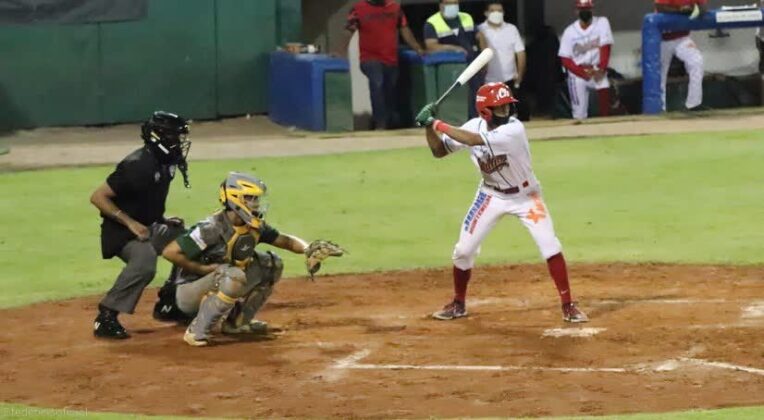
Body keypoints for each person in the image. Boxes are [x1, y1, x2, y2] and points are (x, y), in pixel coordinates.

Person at [414, 83, 588, 323]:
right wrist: (428, 127)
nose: (506, 112)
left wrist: (435, 122)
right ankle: (458, 303)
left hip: (526, 196)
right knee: (463, 251)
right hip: (490, 195)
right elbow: (438, 151)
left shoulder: (513, 130)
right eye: (500, 108)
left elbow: (472, 140)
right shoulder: (472, 125)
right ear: (485, 112)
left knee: (550, 245)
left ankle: (568, 305)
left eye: (507, 107)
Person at [157, 172, 344, 347]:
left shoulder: (252, 225)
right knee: (234, 275)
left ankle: (237, 323)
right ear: (235, 199)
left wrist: (308, 248)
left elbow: (285, 241)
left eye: (256, 199)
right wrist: (202, 269)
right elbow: (170, 252)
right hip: (189, 293)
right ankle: (196, 331)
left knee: (271, 264)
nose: (255, 204)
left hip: (222, 281)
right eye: (250, 198)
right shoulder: (211, 228)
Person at [89, 111, 191, 339]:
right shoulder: (137, 165)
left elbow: (148, 198)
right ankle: (106, 316)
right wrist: (131, 223)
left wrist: (162, 219)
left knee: (189, 241)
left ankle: (170, 301)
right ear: (159, 137)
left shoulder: (165, 161)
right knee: (145, 262)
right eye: (175, 136)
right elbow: (98, 197)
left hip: (147, 226)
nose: (179, 141)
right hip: (121, 232)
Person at [345, 0, 425, 130]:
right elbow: (348, 31)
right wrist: (340, 52)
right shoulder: (358, 9)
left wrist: (417, 48)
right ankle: (380, 124)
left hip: (390, 59)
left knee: (389, 91)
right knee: (377, 83)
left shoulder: (394, 8)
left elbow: (404, 29)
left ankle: (387, 121)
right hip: (369, 58)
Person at [424, 0, 485, 118]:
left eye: (455, 3)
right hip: (451, 68)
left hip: (472, 64)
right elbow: (431, 46)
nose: (453, 6)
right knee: (459, 97)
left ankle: (477, 120)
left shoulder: (466, 17)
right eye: (448, 3)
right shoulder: (432, 23)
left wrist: (483, 57)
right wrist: (454, 48)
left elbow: (480, 36)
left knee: (476, 94)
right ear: (441, 5)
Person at [558, 0, 613, 120]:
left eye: (587, 9)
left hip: (597, 69)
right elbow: (565, 59)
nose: (585, 12)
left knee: (604, 89)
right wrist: (583, 73)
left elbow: (606, 47)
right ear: (576, 11)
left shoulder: (602, 22)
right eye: (582, 9)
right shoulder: (569, 31)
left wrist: (601, 69)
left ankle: (606, 125)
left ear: (592, 9)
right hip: (578, 73)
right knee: (579, 114)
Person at [478, 1, 529, 121]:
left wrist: (519, 75)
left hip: (509, 79)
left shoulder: (511, 29)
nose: (496, 13)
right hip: (487, 81)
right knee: (490, 116)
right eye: (492, 11)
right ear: (486, 13)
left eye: (499, 11)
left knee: (512, 115)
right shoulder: (480, 30)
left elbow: (520, 53)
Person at [655, 0, 706, 111]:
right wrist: (680, 10)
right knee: (659, 74)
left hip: (682, 37)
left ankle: (693, 105)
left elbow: (702, 8)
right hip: (661, 39)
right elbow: (660, 7)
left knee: (697, 61)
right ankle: (659, 109)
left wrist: (693, 10)